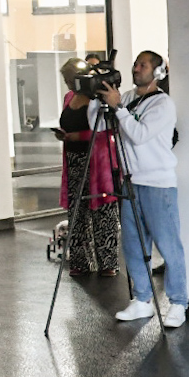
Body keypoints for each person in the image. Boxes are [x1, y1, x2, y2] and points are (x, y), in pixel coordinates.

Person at [95, 50, 187, 328]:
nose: (136, 68)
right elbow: (97, 124)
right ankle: (142, 299)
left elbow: (139, 135)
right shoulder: (125, 98)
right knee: (133, 245)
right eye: (135, 64)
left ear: (157, 72)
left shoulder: (163, 104)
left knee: (168, 246)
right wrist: (97, 98)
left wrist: (119, 108)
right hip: (131, 181)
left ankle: (178, 302)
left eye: (143, 65)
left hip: (158, 184)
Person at [55, 57, 121, 278]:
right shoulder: (69, 97)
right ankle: (81, 261)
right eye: (65, 80)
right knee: (77, 212)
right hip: (74, 160)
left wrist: (77, 136)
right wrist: (65, 136)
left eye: (70, 79)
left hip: (97, 162)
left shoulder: (96, 99)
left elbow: (105, 130)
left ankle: (107, 262)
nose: (68, 84)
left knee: (103, 211)